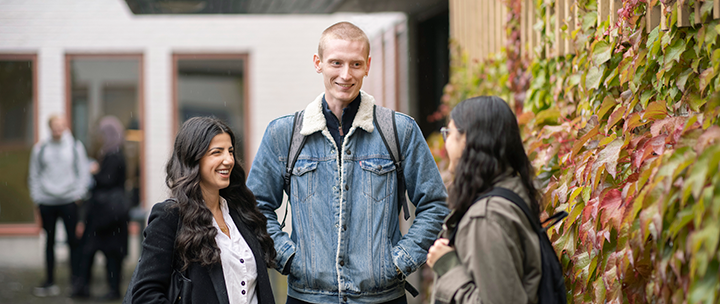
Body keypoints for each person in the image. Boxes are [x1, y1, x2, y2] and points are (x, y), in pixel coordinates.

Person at [247, 21, 449, 304]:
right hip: (307, 298)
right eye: (336, 63)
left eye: (355, 64)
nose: (346, 74)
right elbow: (253, 207)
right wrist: (289, 259)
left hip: (383, 298)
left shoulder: (399, 130)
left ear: (367, 65)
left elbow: (435, 204)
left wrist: (399, 261)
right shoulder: (284, 134)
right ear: (318, 63)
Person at [129, 117, 276, 304]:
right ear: (193, 159)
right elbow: (145, 295)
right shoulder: (170, 217)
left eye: (230, 151)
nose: (228, 160)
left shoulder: (242, 213)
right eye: (217, 152)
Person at [427, 96, 542, 303]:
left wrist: (448, 267)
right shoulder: (511, 191)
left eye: (449, 133)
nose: (446, 144)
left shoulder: (485, 217)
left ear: (468, 140)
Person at [28, 114, 90, 297]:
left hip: (69, 201)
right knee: (49, 242)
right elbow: (34, 175)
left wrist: (78, 194)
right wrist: (37, 198)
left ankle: (75, 281)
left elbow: (83, 172)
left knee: (74, 242)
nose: (58, 129)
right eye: (55, 125)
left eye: (61, 125)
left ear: (65, 126)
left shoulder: (74, 146)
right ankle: (49, 281)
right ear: (49, 127)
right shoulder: (40, 149)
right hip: (47, 202)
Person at [72, 116, 129, 300]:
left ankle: (98, 288)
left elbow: (107, 180)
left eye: (103, 134)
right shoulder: (114, 153)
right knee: (107, 254)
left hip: (106, 215)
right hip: (109, 215)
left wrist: (95, 173)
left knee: (99, 252)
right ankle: (98, 288)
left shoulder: (113, 155)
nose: (100, 137)